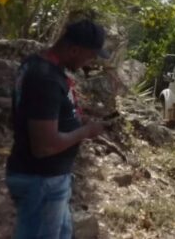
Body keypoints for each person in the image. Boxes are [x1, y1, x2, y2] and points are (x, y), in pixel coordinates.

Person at [6, 18, 110, 238]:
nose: (90, 62)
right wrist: (86, 132)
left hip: (46, 181)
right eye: (90, 56)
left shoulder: (37, 65)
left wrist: (75, 119)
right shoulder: (46, 79)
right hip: (40, 181)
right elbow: (44, 146)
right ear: (74, 50)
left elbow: (40, 113)